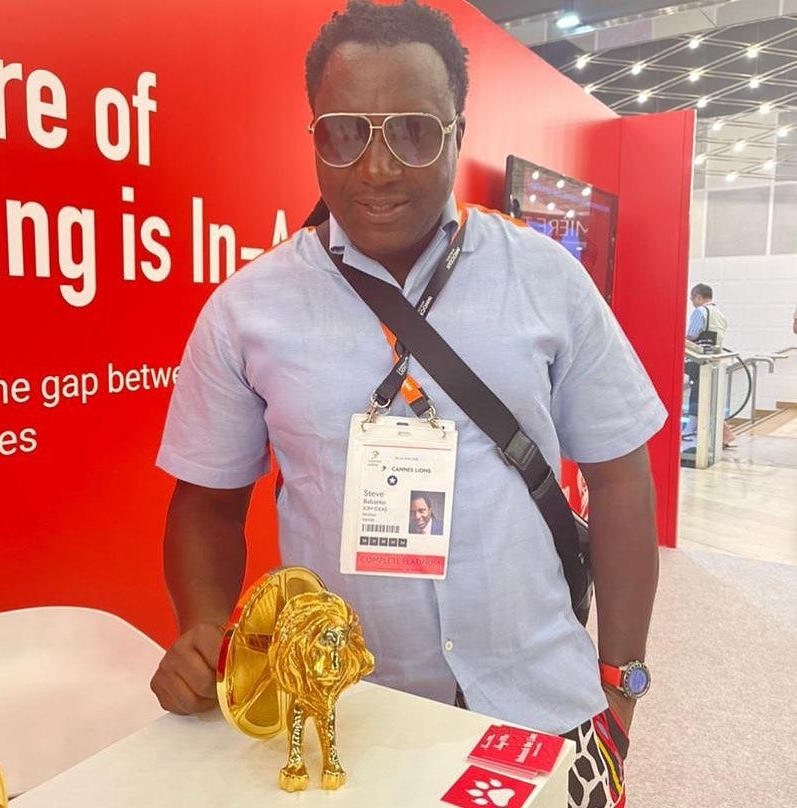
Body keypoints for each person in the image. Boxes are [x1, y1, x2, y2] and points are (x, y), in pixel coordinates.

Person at [150, 3, 666, 806]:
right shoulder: (246, 311)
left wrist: (621, 684)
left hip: (543, 704)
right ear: (315, 135)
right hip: (349, 718)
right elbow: (207, 507)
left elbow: (624, 478)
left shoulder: (547, 281)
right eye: (346, 132)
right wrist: (204, 623)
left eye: (415, 132)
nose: (379, 167)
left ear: (460, 132)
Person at [684, 283, 733, 446]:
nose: (692, 302)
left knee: (696, 394)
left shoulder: (700, 312)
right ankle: (719, 432)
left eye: (692, 298)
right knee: (707, 395)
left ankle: (690, 429)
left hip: (698, 359)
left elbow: (691, 335)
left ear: (698, 297)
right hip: (713, 360)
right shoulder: (719, 313)